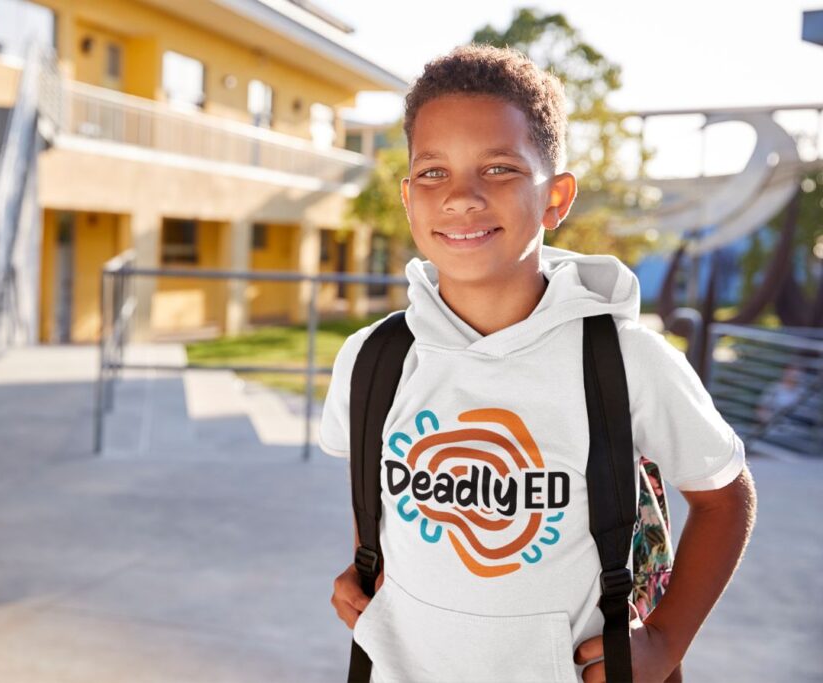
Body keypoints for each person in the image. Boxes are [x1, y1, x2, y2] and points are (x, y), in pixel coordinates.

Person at [321, 44, 757, 683]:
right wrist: (367, 563)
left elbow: (726, 497)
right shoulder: (373, 358)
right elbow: (375, 486)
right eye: (433, 172)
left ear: (555, 198)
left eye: (498, 168)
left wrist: (665, 640)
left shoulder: (623, 360)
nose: (462, 197)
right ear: (408, 197)